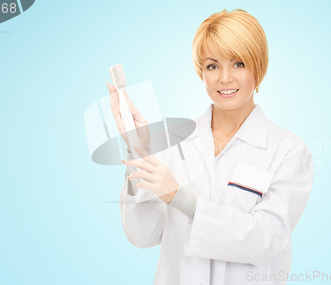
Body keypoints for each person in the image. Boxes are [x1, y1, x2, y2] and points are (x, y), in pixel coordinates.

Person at [107, 8, 314, 285]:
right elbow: (142, 235)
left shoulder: (288, 150)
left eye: (238, 63)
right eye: (212, 65)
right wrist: (139, 152)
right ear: (201, 72)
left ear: (258, 67)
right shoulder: (174, 143)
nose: (224, 78)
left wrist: (180, 198)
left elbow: (264, 239)